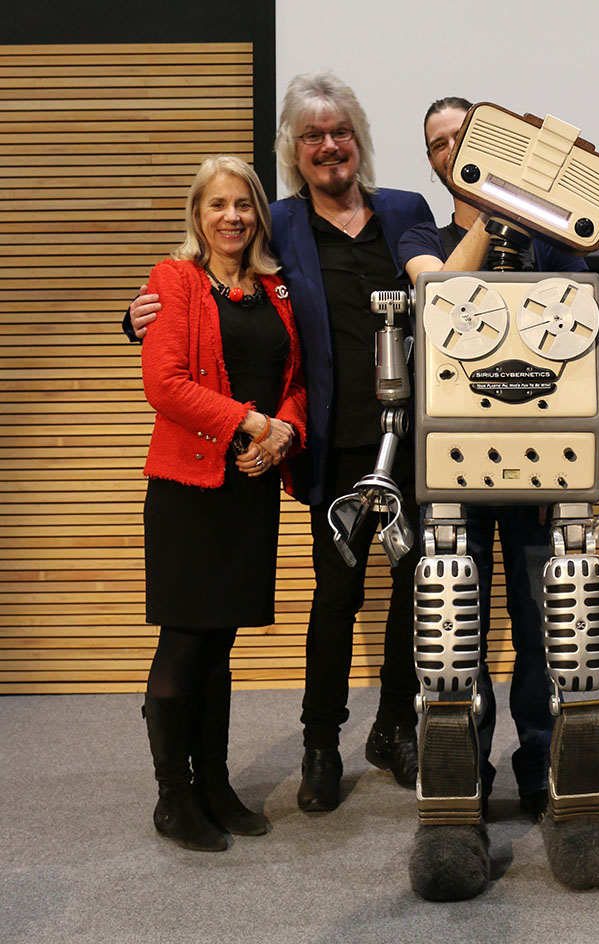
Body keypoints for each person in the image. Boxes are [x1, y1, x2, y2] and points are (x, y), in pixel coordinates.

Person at [129, 71, 435, 813]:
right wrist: (131, 315)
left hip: (420, 437)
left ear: (358, 140)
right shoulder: (283, 224)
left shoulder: (405, 209)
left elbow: (446, 287)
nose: (328, 146)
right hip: (335, 445)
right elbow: (207, 276)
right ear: (293, 153)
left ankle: (395, 727)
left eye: (340, 133)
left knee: (413, 591)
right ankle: (321, 742)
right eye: (311, 136)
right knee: (337, 594)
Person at [396, 97, 588, 819]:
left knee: (544, 623)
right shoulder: (421, 230)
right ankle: (462, 768)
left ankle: (540, 767)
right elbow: (440, 291)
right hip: (451, 468)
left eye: (463, 137)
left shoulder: (554, 237)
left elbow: (584, 317)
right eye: (439, 144)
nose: (450, 149)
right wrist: (492, 210)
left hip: (542, 465)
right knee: (456, 626)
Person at [140, 155, 307, 851]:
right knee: (184, 641)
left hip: (251, 485)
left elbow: (294, 377)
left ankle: (214, 781)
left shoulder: (277, 288)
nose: (232, 216)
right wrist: (250, 423)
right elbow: (166, 385)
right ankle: (173, 796)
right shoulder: (174, 280)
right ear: (197, 215)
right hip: (189, 488)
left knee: (222, 643)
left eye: (243, 204)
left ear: (258, 214)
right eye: (218, 205)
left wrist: (286, 432)